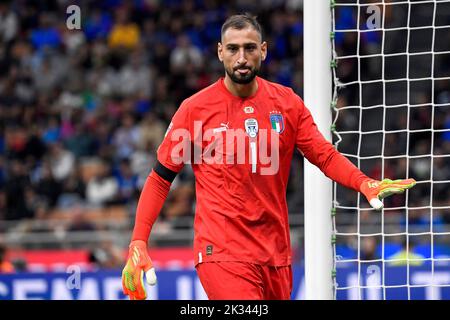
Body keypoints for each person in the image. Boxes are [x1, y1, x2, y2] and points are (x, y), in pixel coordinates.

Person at [121, 13, 416, 300]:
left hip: (275, 253)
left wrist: (363, 183)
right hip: (221, 253)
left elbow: (324, 155)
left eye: (249, 48)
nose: (241, 57)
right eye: (233, 49)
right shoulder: (195, 109)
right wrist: (139, 239)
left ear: (263, 51)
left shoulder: (286, 103)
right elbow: (160, 178)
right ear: (220, 52)